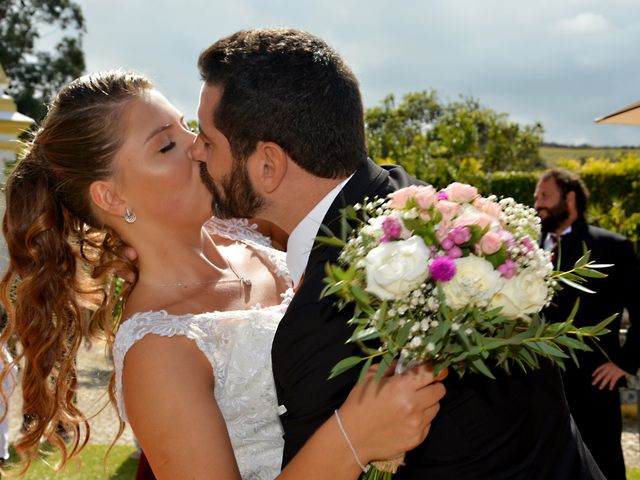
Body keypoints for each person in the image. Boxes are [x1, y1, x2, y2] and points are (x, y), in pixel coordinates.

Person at [192, 27, 605, 479]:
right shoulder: (422, 206)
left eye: (208, 141)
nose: (195, 150)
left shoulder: (326, 323)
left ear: (268, 165)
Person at [0, 70, 446, 479]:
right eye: (166, 145)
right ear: (111, 198)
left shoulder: (260, 231)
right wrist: (354, 436)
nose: (197, 146)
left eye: (187, 127)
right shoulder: (158, 349)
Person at [534, 167, 640, 480]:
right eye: (536, 195)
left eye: (545, 196)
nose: (537, 203)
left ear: (570, 198)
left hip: (592, 385)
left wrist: (625, 362)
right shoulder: (520, 246)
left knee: (601, 466)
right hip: (535, 383)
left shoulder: (612, 247)